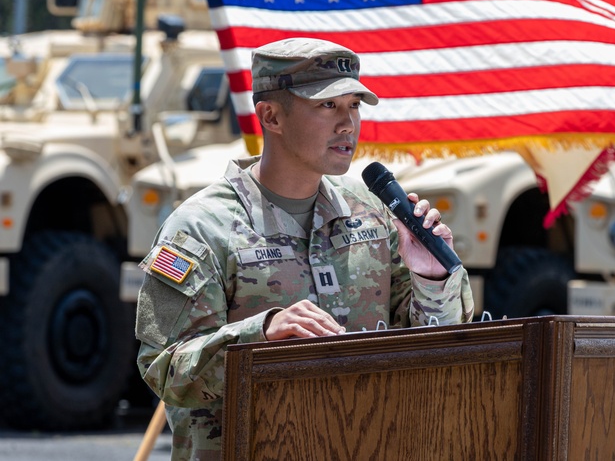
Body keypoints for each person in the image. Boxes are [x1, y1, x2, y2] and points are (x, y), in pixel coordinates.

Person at [134, 37, 475, 461]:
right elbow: (164, 372)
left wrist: (431, 278)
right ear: (271, 116)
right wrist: (261, 335)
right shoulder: (202, 228)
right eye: (327, 106)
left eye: (354, 105)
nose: (348, 124)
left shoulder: (374, 213)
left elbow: (438, 347)